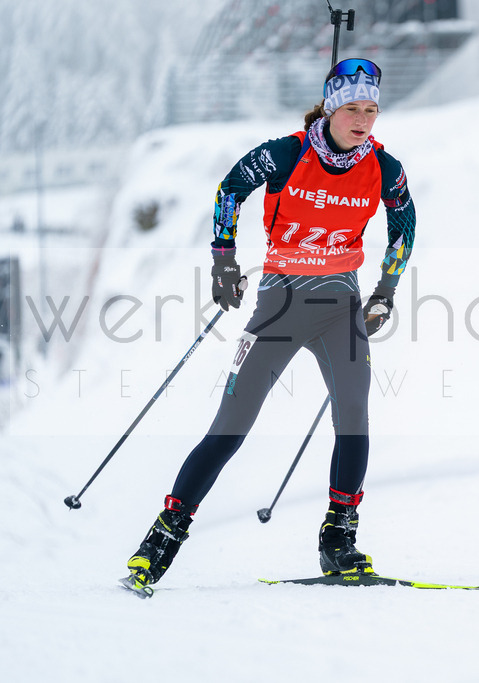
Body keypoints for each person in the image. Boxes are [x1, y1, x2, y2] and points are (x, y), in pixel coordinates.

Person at [122, 58, 415, 593]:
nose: (362, 120)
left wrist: (385, 293)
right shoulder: (286, 153)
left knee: (354, 417)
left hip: (342, 308)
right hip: (280, 306)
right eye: (352, 108)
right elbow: (230, 190)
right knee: (231, 426)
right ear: (330, 109)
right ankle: (162, 538)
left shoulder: (384, 167)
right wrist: (224, 262)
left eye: (371, 110)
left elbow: (405, 227)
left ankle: (339, 540)